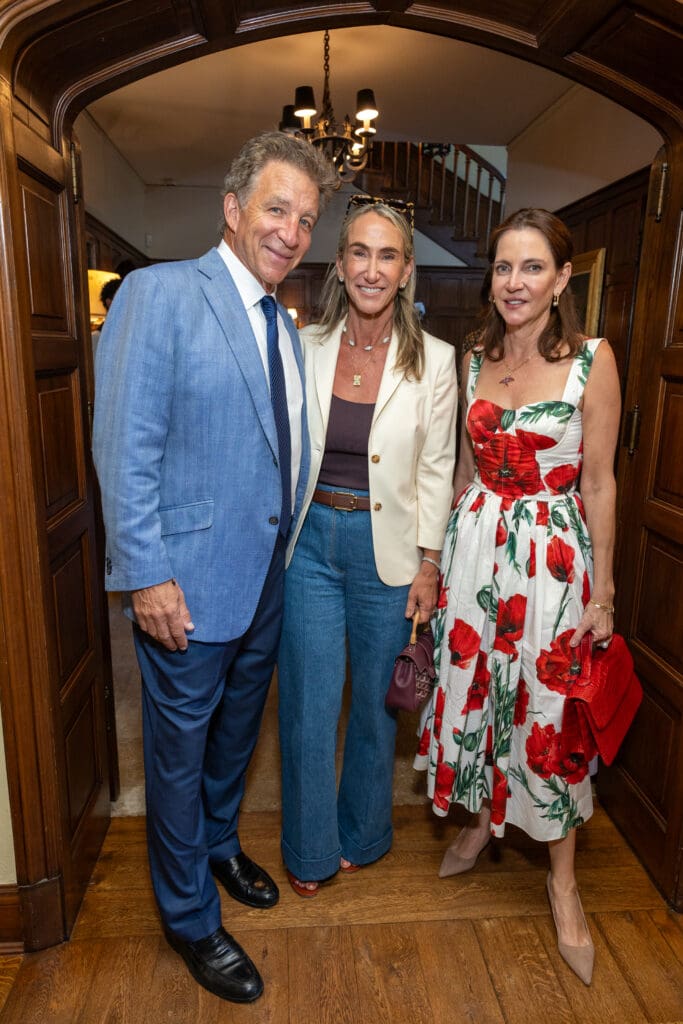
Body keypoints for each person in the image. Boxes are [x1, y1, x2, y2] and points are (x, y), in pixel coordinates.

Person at [92, 131, 337, 1003]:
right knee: (179, 751)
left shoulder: (281, 317)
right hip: (185, 586)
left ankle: (221, 844)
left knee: (236, 734)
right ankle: (190, 916)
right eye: (276, 210)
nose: (291, 231)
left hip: (267, 571)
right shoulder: (161, 295)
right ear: (232, 211)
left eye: (306, 219)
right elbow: (124, 448)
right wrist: (146, 574)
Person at [415, 208, 621, 986]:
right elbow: (464, 473)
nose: (514, 282)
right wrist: (435, 566)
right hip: (475, 553)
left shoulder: (592, 360)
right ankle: (477, 823)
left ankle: (561, 882)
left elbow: (598, 479)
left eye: (532, 268)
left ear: (562, 279)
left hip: (552, 562)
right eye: (503, 267)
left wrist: (603, 591)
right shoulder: (471, 356)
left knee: (548, 714)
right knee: (473, 692)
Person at [278, 196, 458, 897]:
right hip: (310, 546)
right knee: (307, 702)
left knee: (378, 710)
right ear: (340, 263)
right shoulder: (304, 344)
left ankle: (364, 835)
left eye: (387, 255)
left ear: (407, 270)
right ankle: (309, 849)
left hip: (389, 552)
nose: (372, 268)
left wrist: (430, 563)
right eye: (360, 252)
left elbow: (437, 467)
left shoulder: (437, 362)